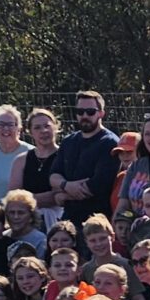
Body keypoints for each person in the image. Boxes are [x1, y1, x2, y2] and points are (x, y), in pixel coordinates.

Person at [49, 90, 118, 224]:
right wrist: (66, 185)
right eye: (80, 112)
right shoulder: (68, 141)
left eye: (90, 112)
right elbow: (53, 176)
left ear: (101, 113)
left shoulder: (110, 143)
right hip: (68, 221)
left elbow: (98, 186)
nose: (85, 116)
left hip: (97, 222)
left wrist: (63, 194)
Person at [20, 108, 62, 229]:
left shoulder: (66, 156)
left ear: (55, 127)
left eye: (47, 126)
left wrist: (28, 199)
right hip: (27, 222)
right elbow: (14, 196)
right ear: (30, 132)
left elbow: (62, 194)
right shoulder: (21, 160)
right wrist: (49, 197)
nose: (43, 131)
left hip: (58, 222)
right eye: (37, 127)